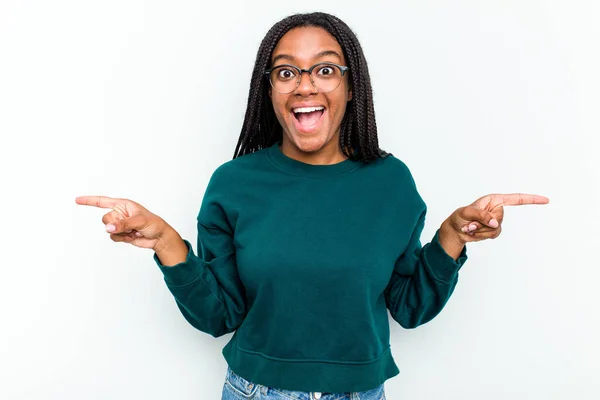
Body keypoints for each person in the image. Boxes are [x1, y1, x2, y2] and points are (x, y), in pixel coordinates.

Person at [76, 11, 549, 400]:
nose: (305, 85)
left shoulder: (391, 182)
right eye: (286, 72)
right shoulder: (233, 183)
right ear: (271, 90)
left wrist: (449, 238)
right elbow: (218, 316)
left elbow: (409, 307)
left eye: (325, 69)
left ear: (350, 85)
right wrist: (165, 243)